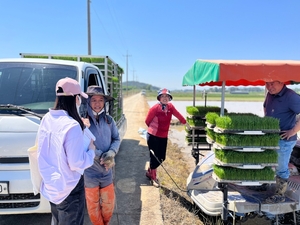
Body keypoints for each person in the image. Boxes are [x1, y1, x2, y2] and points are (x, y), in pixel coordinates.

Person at [37, 77, 96, 225]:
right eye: (79, 98)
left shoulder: (47, 119)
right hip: (69, 187)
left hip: (51, 184)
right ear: (75, 99)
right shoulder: (72, 125)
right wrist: (91, 151)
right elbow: (76, 163)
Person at [83, 85, 121, 225]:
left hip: (107, 171)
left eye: (100, 100)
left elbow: (116, 139)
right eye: (94, 100)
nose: (97, 104)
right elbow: (82, 144)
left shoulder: (109, 120)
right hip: (90, 172)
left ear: (104, 102)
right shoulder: (83, 122)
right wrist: (101, 156)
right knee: (93, 207)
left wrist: (111, 153)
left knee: (108, 205)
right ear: (88, 102)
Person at [145, 88, 190, 187]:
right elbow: (147, 121)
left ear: (169, 98)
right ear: (159, 98)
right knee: (154, 157)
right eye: (163, 96)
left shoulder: (170, 107)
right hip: (153, 136)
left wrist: (185, 123)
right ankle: (153, 178)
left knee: (161, 157)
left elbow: (178, 115)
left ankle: (150, 171)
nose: (165, 98)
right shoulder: (154, 108)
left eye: (167, 96)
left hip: (163, 136)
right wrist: (153, 130)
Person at [264, 80, 300, 203]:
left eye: (272, 83)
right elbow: (265, 107)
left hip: (285, 139)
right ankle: (264, 185)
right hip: (271, 137)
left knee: (281, 167)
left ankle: (280, 195)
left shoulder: (291, 96)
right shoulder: (270, 94)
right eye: (267, 83)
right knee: (266, 161)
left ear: (281, 82)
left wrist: (293, 131)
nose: (269, 86)